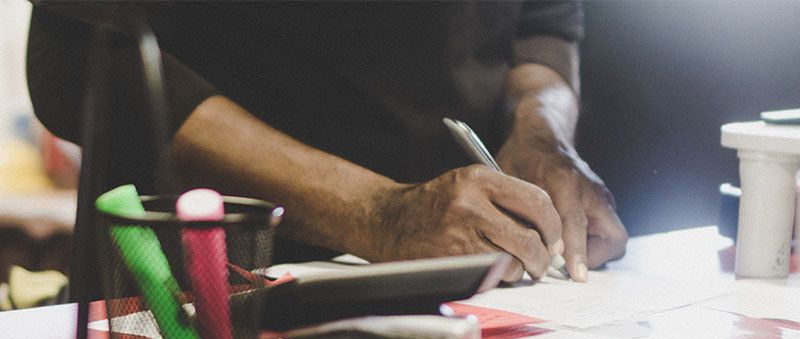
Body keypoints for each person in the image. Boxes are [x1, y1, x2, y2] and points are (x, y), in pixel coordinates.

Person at [27, 1, 626, 298]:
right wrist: (376, 213)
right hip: (207, 300)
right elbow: (79, 56)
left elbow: (543, 27)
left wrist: (540, 132)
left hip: (474, 288)